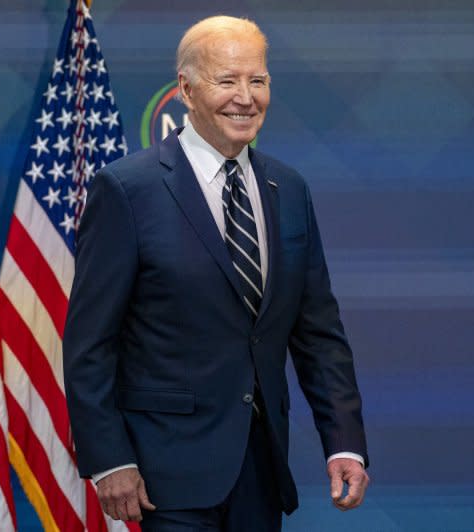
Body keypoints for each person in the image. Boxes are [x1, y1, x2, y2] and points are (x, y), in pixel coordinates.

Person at [63, 15, 369, 531]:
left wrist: (345, 443)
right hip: (164, 477)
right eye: (227, 81)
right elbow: (90, 342)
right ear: (185, 89)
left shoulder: (289, 189)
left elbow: (319, 334)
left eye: (258, 80)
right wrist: (109, 458)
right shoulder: (126, 190)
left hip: (261, 471)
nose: (245, 98)